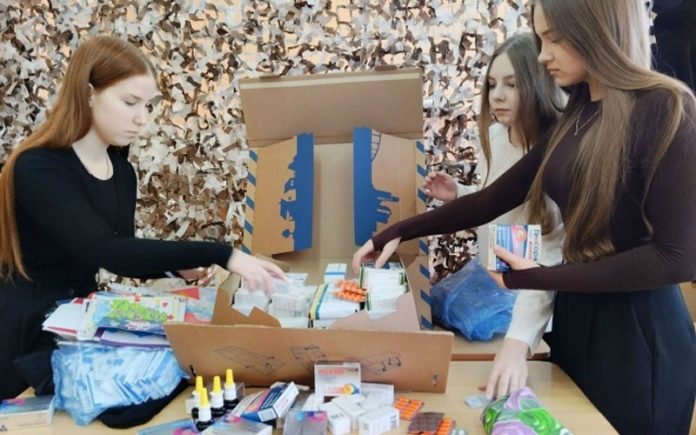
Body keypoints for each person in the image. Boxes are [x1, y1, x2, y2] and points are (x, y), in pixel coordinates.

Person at [353, 0, 696, 432]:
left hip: (639, 338)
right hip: (575, 321)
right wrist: (397, 232)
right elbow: (491, 199)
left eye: (555, 39)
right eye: (539, 39)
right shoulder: (577, 113)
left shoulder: (667, 107)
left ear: (597, 30)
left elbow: (677, 258)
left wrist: (538, 277)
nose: (543, 55)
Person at [0, 36, 286, 400]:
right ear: (88, 94)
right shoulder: (38, 168)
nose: (142, 119)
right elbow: (106, 250)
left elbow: (125, 249)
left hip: (77, 321)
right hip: (26, 334)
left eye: (147, 105)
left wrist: (175, 269)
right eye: (130, 102)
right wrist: (222, 254)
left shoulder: (121, 172)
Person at [423, 33, 566, 400]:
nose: (497, 96)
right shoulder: (495, 137)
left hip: (534, 304)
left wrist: (519, 343)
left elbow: (548, 260)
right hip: (494, 281)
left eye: (511, 84)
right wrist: (460, 194)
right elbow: (497, 207)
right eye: (491, 85)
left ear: (537, 84)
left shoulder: (557, 156)